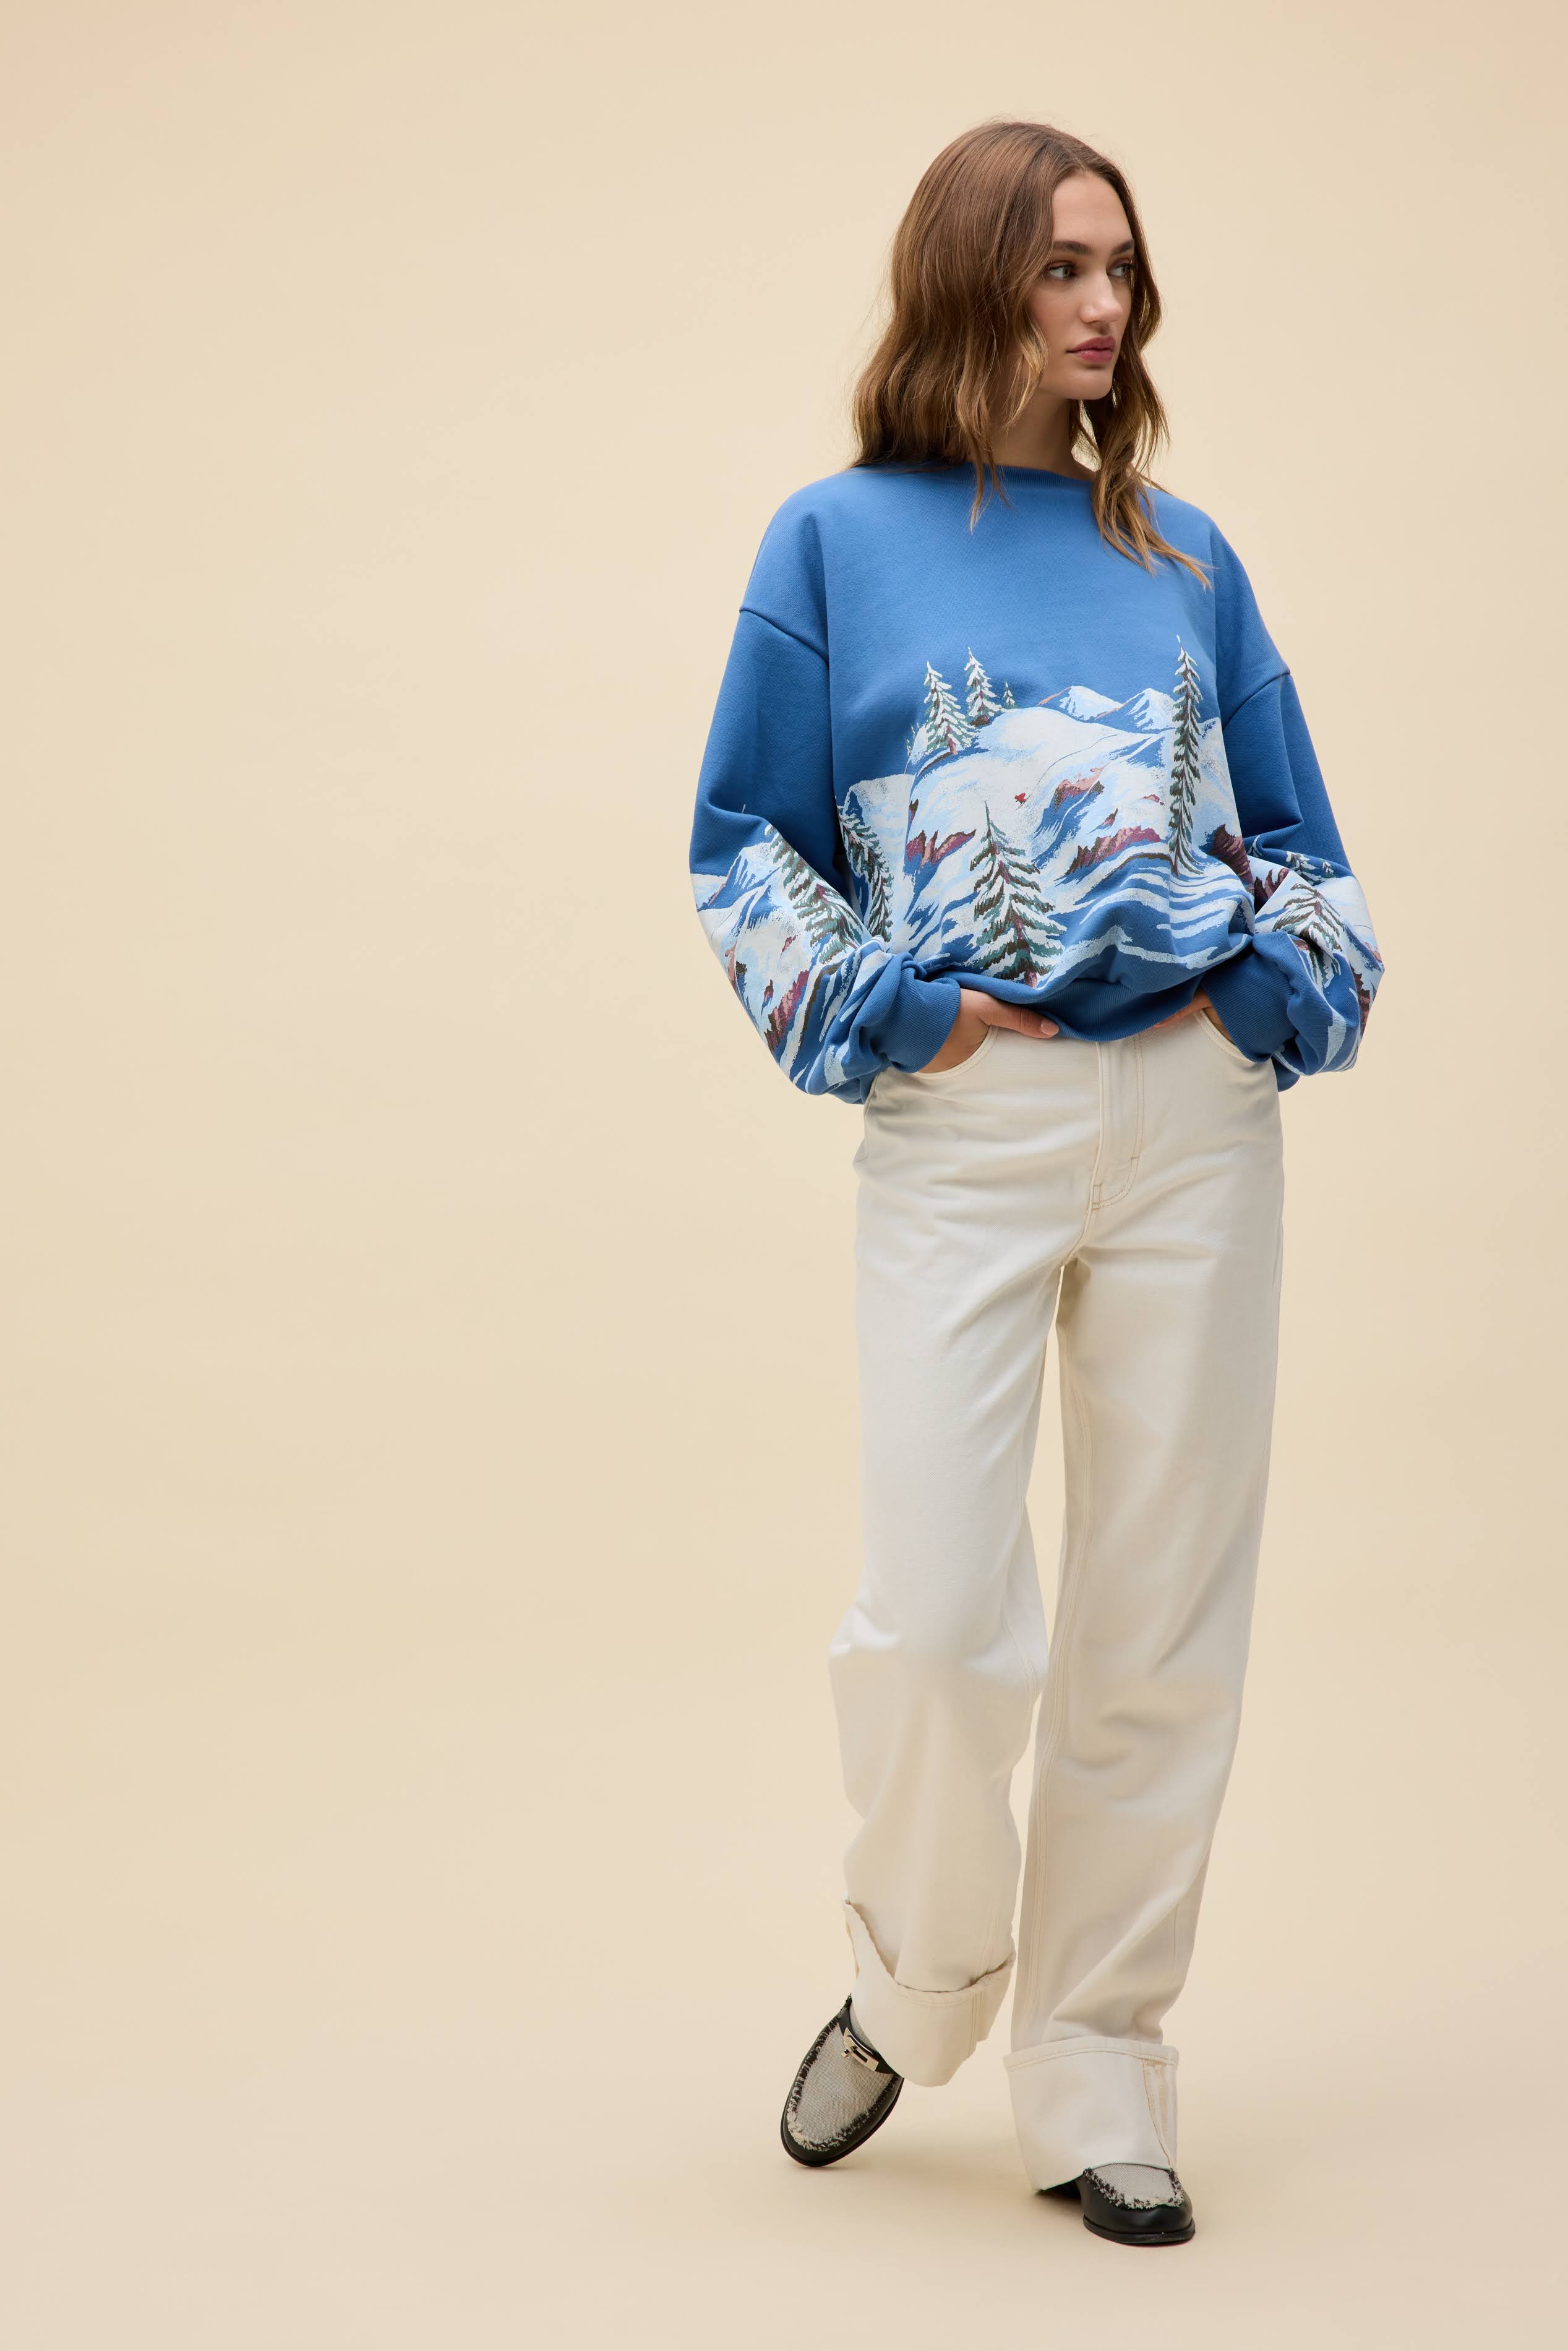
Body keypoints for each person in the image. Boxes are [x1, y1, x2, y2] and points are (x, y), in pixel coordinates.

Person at [688, 118, 1384, 2248]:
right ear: (968, 277)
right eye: (1063, 265)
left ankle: (1098, 2065)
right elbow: (742, 846)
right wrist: (899, 1015)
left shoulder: (1186, 558)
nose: (1104, 305)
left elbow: (1310, 851)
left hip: (1196, 1127)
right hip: (967, 1126)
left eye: (1122, 270)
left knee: (1159, 1616)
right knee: (935, 1613)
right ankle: (918, 1980)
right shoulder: (835, 543)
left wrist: (1265, 990)